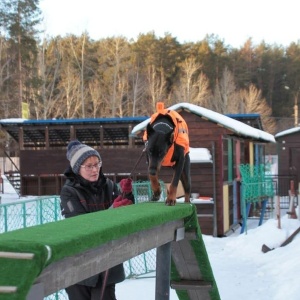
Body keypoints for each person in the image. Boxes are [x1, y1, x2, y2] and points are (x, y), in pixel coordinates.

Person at [60, 140, 133, 300]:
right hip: (77, 264)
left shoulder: (109, 185)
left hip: (106, 261)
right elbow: (82, 225)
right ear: (77, 168)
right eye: (89, 166)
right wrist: (113, 210)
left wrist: (128, 195)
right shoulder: (69, 192)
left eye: (97, 164)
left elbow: (126, 211)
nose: (95, 169)